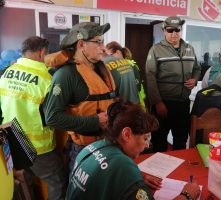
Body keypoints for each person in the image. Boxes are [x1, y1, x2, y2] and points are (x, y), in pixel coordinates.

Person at [66, 100, 201, 200]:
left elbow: (107, 174)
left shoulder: (92, 147)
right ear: (127, 134)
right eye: (145, 138)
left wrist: (135, 177)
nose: (147, 145)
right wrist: (187, 195)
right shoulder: (122, 167)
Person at [44, 22, 116, 174]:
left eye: (102, 42)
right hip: (83, 149)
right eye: (98, 42)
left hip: (108, 142)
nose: (103, 47)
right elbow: (52, 118)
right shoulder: (66, 75)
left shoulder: (101, 69)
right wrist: (95, 121)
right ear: (81, 44)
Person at [0, 36, 66, 200]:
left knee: (25, 180)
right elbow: (54, 115)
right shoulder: (47, 79)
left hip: (12, 140)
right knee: (57, 180)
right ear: (42, 52)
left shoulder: (7, 72)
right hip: (37, 146)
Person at [145, 16, 201, 152]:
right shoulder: (156, 49)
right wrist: (158, 102)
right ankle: (158, 171)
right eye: (170, 30)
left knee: (181, 139)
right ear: (164, 31)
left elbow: (197, 68)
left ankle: (177, 170)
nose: (174, 34)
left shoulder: (190, 48)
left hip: (183, 103)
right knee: (159, 139)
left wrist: (194, 79)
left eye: (177, 30)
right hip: (164, 103)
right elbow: (149, 76)